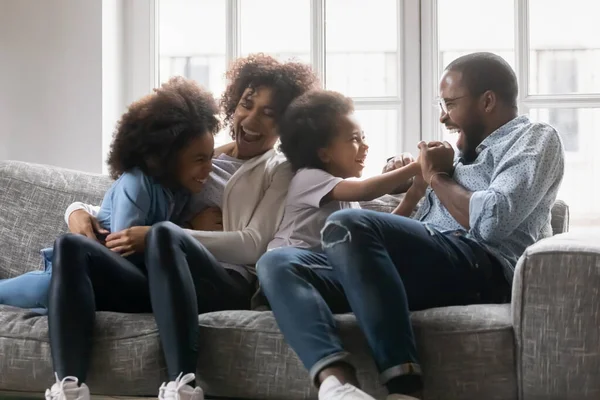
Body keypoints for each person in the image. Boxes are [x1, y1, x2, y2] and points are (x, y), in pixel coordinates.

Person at [256, 52, 565, 400]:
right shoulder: (462, 151)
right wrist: (410, 173)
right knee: (278, 263)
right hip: (417, 266)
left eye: (450, 104)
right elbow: (404, 203)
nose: (443, 116)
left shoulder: (535, 138)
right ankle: (336, 386)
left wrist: (436, 177)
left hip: (479, 263)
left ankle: (404, 389)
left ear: (488, 101)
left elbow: (492, 220)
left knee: (347, 223)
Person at [52, 54, 319, 400]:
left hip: (226, 281)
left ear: (287, 124)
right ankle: (68, 386)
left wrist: (170, 233)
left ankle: (180, 385)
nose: (250, 119)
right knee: (70, 246)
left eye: (269, 114)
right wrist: (76, 210)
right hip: (160, 277)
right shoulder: (203, 156)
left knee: (163, 234)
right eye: (245, 105)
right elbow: (132, 195)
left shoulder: (278, 169)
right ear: (232, 104)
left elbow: (253, 244)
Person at [0, 76, 218, 315]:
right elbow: (124, 256)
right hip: (65, 280)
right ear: (169, 156)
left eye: (210, 157)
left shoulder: (180, 188)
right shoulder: (138, 184)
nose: (210, 168)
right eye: (200, 160)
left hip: (94, 291)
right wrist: (187, 228)